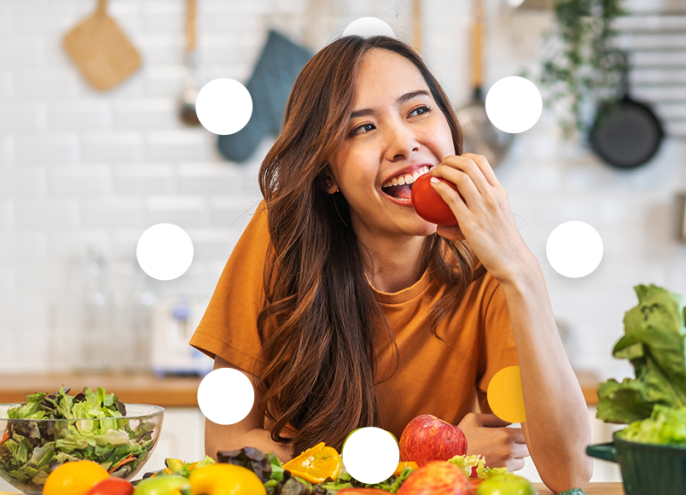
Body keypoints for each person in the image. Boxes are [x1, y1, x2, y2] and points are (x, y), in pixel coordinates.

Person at [190, 35, 592, 491]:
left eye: (418, 110)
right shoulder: (281, 237)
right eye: (362, 128)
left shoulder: (490, 264)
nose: (404, 142)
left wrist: (521, 270)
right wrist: (434, 454)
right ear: (326, 175)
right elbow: (227, 445)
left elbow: (570, 472)